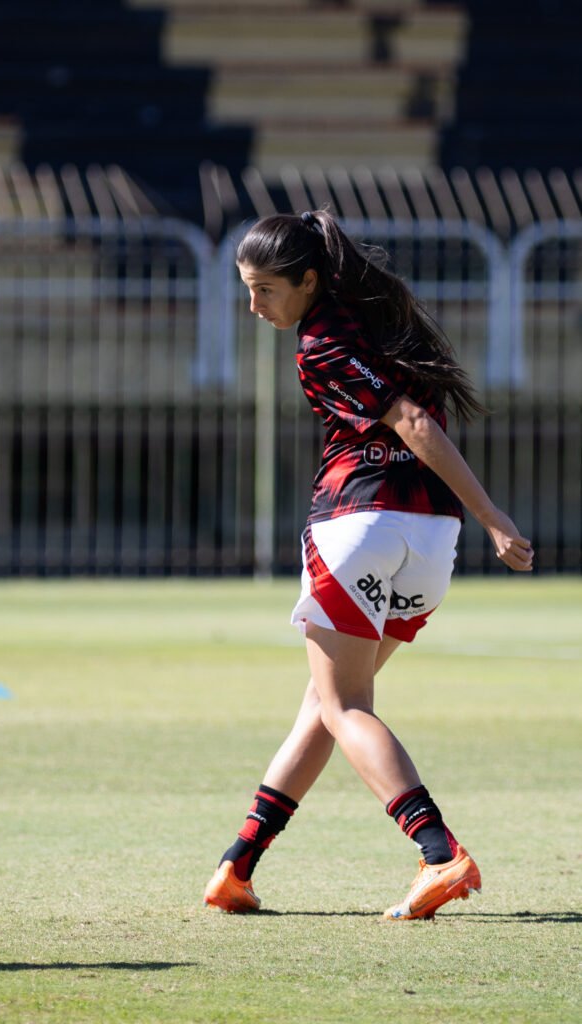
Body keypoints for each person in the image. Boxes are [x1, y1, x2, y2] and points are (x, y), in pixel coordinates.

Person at [203, 210, 533, 921]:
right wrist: (476, 521)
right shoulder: (385, 319)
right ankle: (238, 865)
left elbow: (412, 422)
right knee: (325, 705)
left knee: (346, 705)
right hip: (429, 540)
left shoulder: (322, 340)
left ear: (308, 280)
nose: (253, 305)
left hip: (358, 526)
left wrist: (494, 516)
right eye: (246, 288)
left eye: (264, 289)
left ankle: (439, 854)